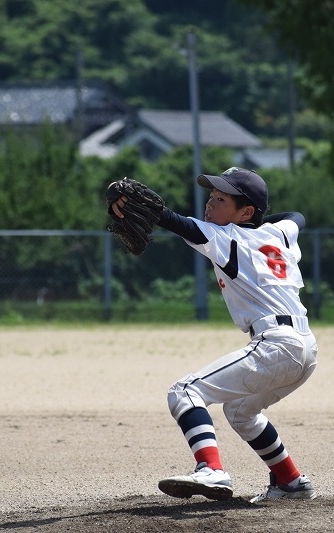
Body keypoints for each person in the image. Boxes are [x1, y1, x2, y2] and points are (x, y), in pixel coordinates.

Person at [110, 167, 318, 502]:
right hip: (305, 348)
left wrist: (150, 210)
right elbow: (297, 216)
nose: (210, 203)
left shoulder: (225, 238)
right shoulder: (279, 233)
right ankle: (290, 482)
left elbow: (178, 222)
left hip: (277, 344)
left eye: (221, 199)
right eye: (211, 196)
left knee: (184, 392)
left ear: (245, 212)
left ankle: (211, 469)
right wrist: (257, 222)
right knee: (240, 412)